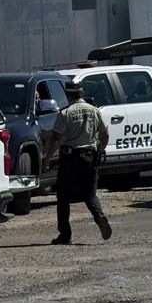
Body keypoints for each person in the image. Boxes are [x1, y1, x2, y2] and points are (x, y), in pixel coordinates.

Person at [42, 81, 112, 245]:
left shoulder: (65, 113)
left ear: (68, 94)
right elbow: (105, 135)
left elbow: (56, 138)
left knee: (63, 197)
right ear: (81, 93)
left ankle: (65, 234)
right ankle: (99, 216)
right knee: (90, 194)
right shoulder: (94, 110)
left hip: (70, 158)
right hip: (90, 156)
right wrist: (99, 151)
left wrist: (47, 159)